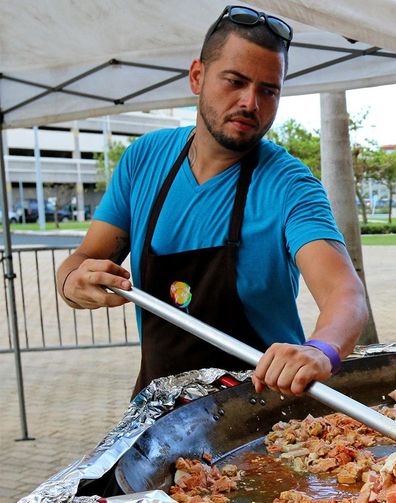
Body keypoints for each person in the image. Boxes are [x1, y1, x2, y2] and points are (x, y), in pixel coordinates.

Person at [56, 6, 367, 398]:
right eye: (235, 81)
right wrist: (72, 282)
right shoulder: (144, 159)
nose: (251, 103)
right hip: (159, 408)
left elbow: (345, 293)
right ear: (197, 77)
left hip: (263, 414)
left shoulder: (290, 184)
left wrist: (320, 350)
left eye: (268, 90)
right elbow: (83, 258)